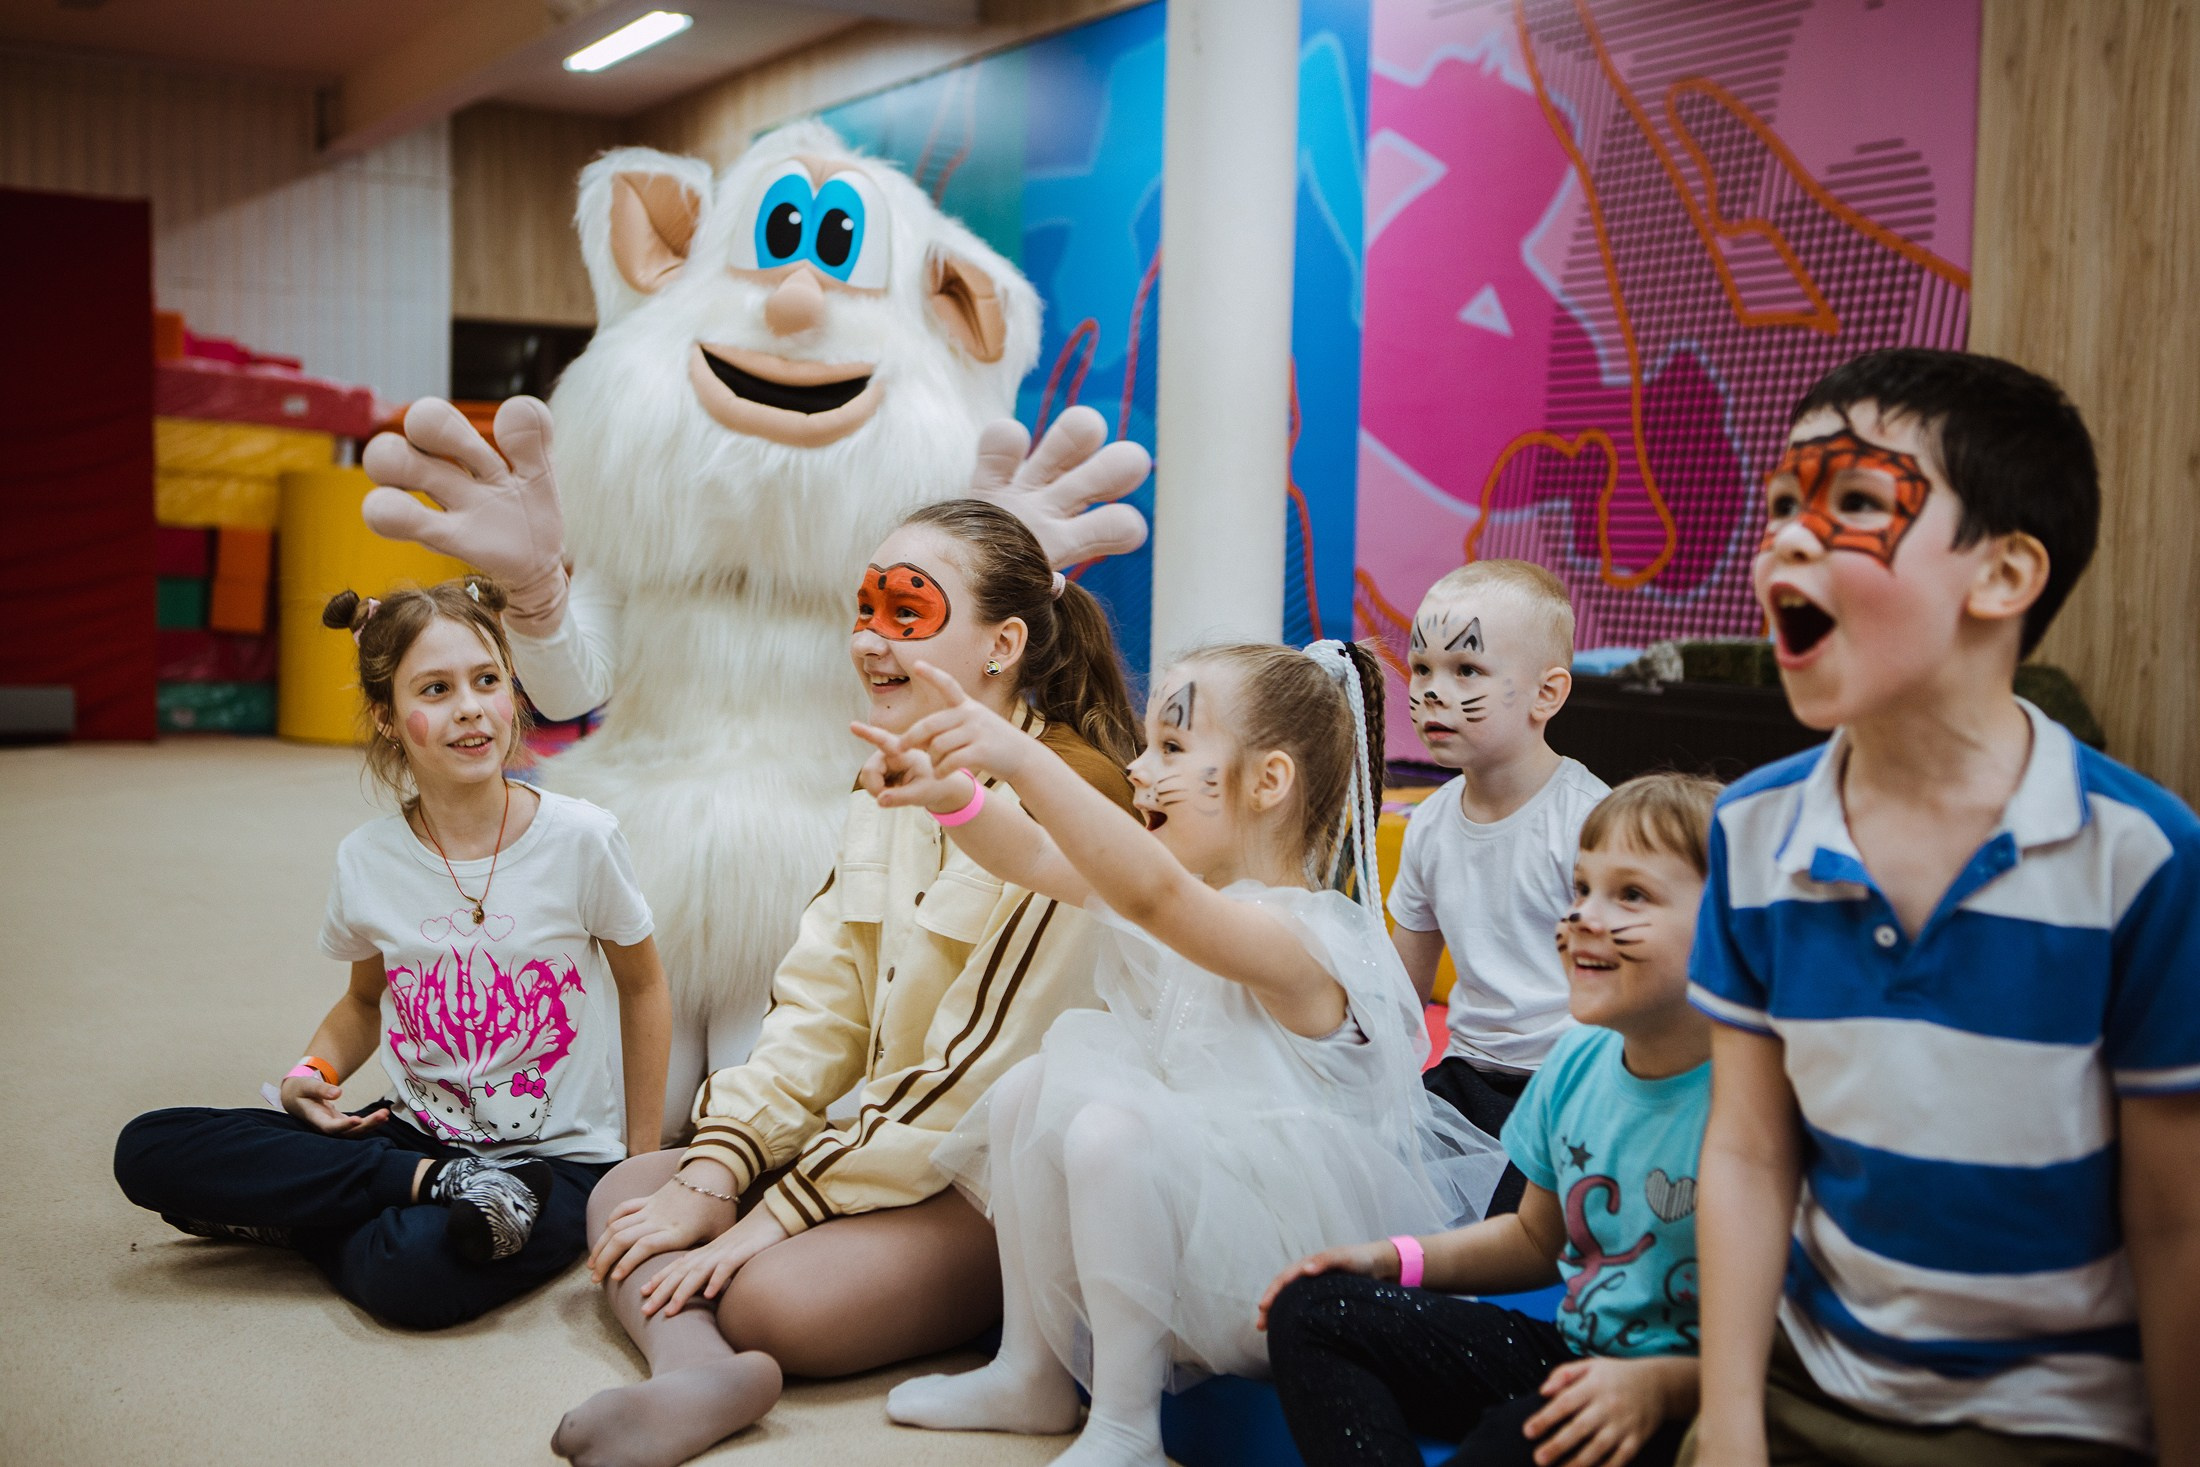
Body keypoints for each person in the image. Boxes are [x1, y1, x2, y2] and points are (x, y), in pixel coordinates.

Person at [1686, 349, 2200, 1466]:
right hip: (1808, 1384)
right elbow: (1749, 1151)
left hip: (2053, 1420)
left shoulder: (2141, 855)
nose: (1787, 538)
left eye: (1854, 502)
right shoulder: (1752, 832)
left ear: (2004, 574)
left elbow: (2175, 1217)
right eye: (1781, 504)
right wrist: (1726, 1422)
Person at [551, 500, 1143, 1467]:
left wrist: (776, 1213)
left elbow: (972, 1071)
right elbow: (820, 1003)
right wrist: (720, 1168)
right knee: (633, 1188)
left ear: (1002, 645)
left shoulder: (1073, 798)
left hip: (993, 1182)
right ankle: (695, 1373)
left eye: (907, 610)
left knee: (769, 1299)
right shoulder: (893, 773)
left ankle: (717, 1341)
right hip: (891, 1141)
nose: (870, 637)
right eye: (865, 607)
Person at [862, 640, 1505, 1467]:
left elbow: (1155, 897)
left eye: (1170, 746)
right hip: (1173, 1255)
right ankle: (1032, 1373)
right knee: (1030, 1086)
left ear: (1268, 782)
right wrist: (952, 794)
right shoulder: (1179, 895)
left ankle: (1126, 1426)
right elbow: (1033, 854)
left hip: (1276, 1281)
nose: (1138, 769)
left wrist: (1020, 755)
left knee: (1108, 1129)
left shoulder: (1299, 941)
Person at [112, 576, 673, 1330]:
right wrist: (312, 1074)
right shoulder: (368, 857)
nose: (470, 707)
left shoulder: (583, 838)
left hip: (555, 1164)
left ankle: (312, 1210)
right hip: (410, 1140)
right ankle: (424, 1183)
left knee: (410, 1274)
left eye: (486, 680)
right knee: (147, 1147)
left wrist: (638, 1166)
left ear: (512, 691)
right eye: (435, 689)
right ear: (386, 715)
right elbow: (363, 1002)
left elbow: (644, 987)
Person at [1262, 773, 1721, 1467]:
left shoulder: (1761, 1099)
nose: (1582, 917)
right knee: (1313, 1310)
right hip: (1576, 1355)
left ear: (1731, 926)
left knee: (1509, 1440)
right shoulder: (1578, 1064)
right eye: (1580, 889)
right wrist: (1390, 1258)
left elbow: (1805, 1346)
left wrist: (1661, 1386)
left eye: (1632, 894)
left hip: (1697, 1398)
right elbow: (1534, 1237)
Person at [1390, 560, 1609, 1213]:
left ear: (1546, 694)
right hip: (1465, 1080)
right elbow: (1402, 993)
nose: (1433, 691)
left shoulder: (1589, 822)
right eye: (1422, 668)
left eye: (1466, 669)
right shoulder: (1429, 825)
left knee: (1513, 1229)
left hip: (1572, 1080)